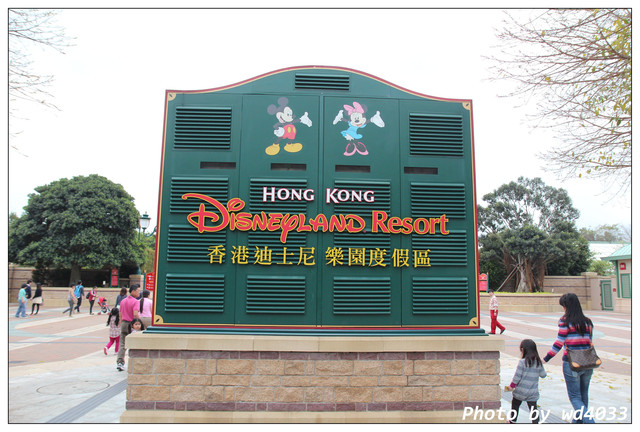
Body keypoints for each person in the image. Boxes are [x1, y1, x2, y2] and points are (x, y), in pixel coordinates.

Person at [543, 293, 595, 423]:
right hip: (588, 362)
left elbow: (559, 343)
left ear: (567, 306)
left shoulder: (565, 321)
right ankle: (578, 423)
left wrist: (546, 358)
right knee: (583, 395)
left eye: (563, 306)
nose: (563, 308)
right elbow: (589, 341)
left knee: (575, 397)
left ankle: (590, 422)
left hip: (571, 363)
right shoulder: (588, 322)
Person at [505, 339, 547, 423]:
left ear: (523, 350)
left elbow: (517, 377)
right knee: (533, 409)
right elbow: (543, 375)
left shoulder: (522, 362)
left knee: (515, 405)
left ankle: (513, 420)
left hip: (520, 391)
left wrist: (511, 386)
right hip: (532, 392)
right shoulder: (538, 362)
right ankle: (535, 422)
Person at [117, 284, 141, 371]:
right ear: (133, 291)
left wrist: (121, 322)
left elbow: (120, 313)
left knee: (122, 343)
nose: (139, 293)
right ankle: (135, 361)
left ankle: (120, 362)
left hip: (124, 323)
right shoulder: (135, 302)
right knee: (134, 343)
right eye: (138, 291)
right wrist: (139, 321)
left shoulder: (123, 301)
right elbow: (135, 313)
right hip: (132, 324)